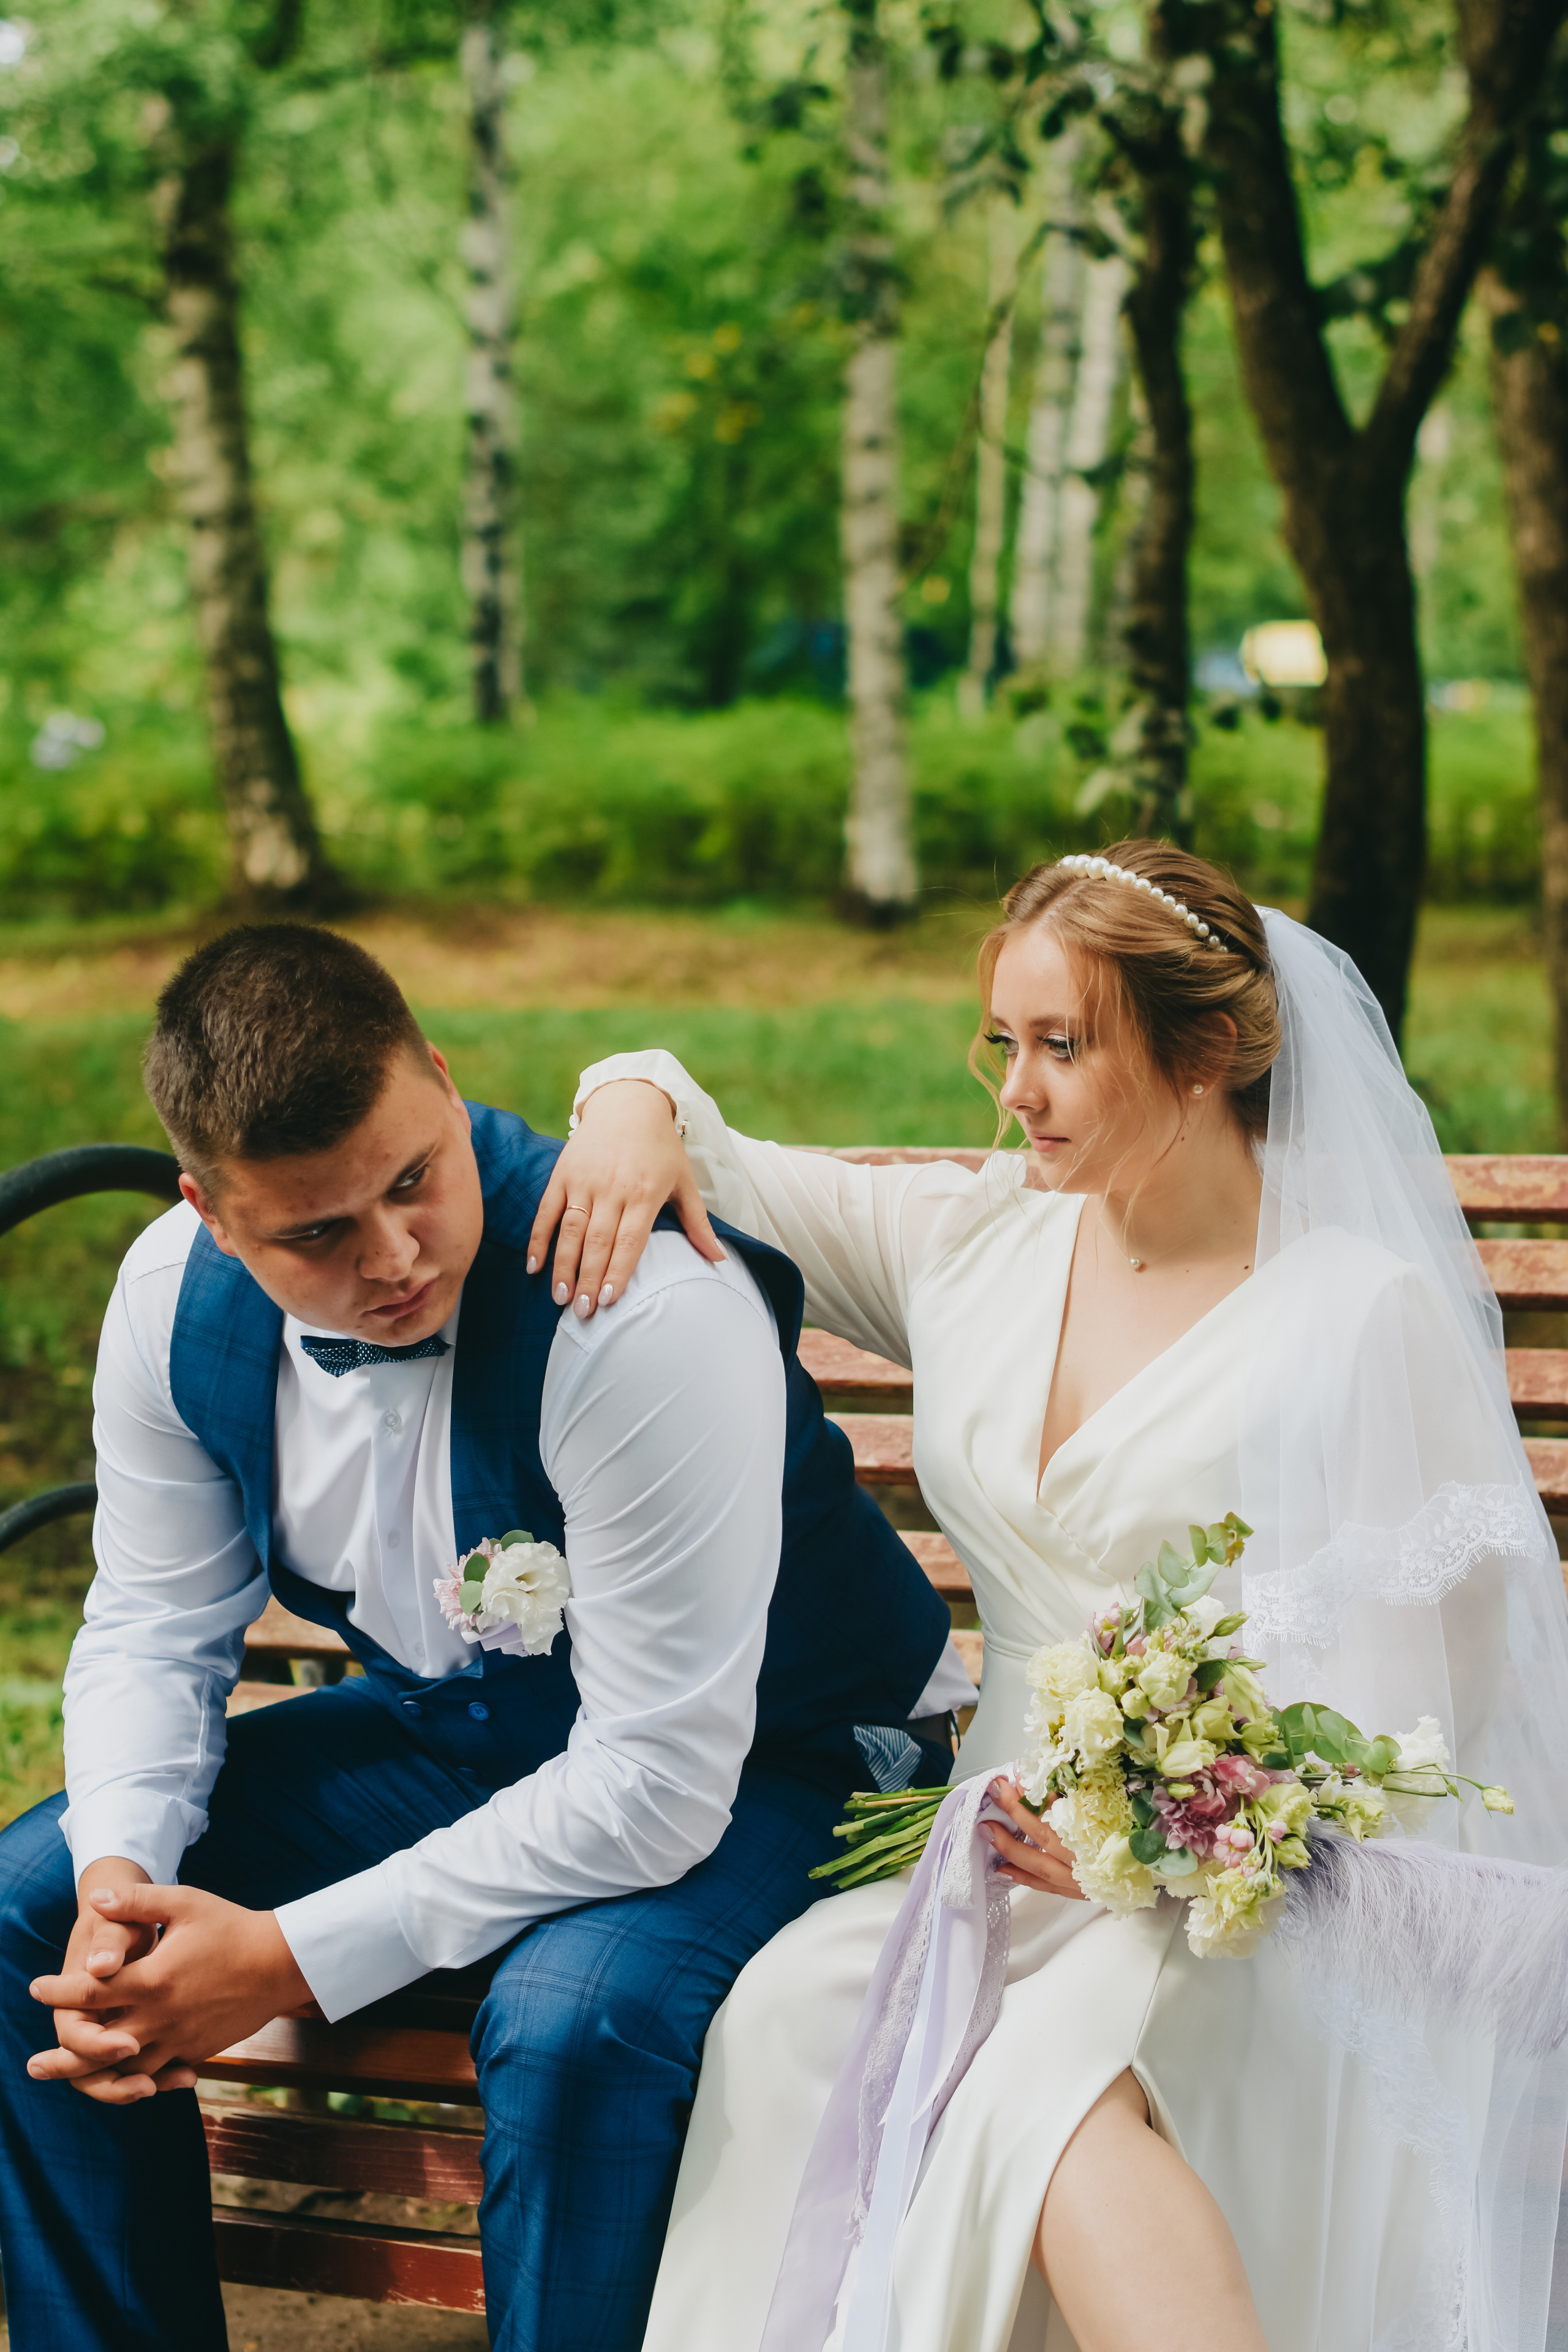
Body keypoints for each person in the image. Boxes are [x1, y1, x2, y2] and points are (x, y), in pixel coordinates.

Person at [537, 843, 1568, 2352]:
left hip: (1245, 1903)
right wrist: (623, 1102)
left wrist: (1180, 1837)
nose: (1013, 1093)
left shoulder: (1356, 1312)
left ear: (1205, 1051)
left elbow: (1427, 1703)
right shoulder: (978, 1242)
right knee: (785, 2016)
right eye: (1002, 1044)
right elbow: (695, 1131)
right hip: (986, 1862)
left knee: (1042, 2087)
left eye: (1062, 1047)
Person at [0, 922, 972, 2352]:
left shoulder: (632, 1315)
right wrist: (122, 1878)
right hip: (478, 1734)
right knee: (31, 1903)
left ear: (444, 1083)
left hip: (793, 1757)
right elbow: (153, 1625)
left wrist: (279, 1959)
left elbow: (652, 1782)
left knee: (576, 2018)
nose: (394, 1257)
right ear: (212, 1213)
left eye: (414, 1180)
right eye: (317, 1234)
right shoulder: (168, 1300)